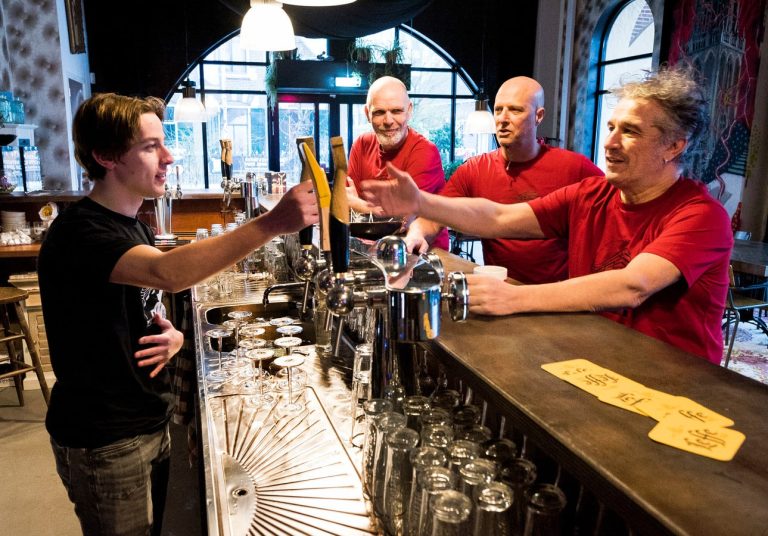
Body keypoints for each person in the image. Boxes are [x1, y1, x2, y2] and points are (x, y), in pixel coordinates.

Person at [38, 93, 318, 536]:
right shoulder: (80, 232)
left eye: (163, 143)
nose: (169, 156)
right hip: (104, 437)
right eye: (150, 147)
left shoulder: (135, 224)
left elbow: (143, 304)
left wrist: (176, 339)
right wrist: (272, 223)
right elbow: (165, 273)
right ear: (106, 156)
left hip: (146, 416)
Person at [359, 66, 732, 364]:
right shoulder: (592, 193)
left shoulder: (700, 215)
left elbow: (632, 286)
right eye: (611, 128)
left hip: (677, 381)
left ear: (674, 145)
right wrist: (422, 204)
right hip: (597, 357)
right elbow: (499, 219)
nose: (610, 142)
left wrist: (515, 298)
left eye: (630, 132)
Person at [406, 76, 603, 284]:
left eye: (515, 110)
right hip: (499, 289)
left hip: (554, 294)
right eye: (498, 110)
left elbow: (616, 204)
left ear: (539, 116)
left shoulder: (573, 167)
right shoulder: (475, 169)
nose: (502, 118)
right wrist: (417, 233)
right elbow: (436, 215)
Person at [345, 75, 450, 250]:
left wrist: (359, 205)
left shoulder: (425, 151)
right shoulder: (362, 144)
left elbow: (400, 220)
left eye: (396, 111)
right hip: (374, 249)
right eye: (379, 112)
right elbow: (344, 202)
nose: (388, 121)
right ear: (367, 114)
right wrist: (364, 208)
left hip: (424, 255)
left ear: (409, 110)